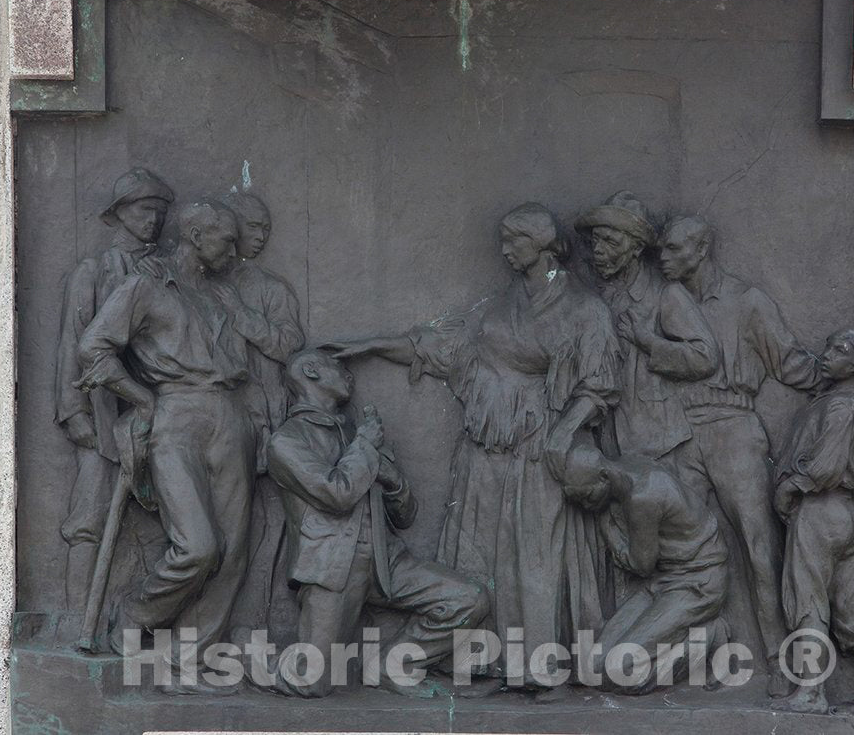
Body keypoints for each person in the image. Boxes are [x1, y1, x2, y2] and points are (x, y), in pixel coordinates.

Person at [326, 203, 622, 691]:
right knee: (481, 552)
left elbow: (598, 386)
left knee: (534, 551)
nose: (505, 249)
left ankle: (538, 662)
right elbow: (445, 349)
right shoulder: (501, 306)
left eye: (514, 240)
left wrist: (563, 433)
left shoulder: (583, 310)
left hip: (536, 451)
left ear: (542, 244)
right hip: (485, 448)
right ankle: (481, 657)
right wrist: (373, 345)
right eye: (502, 240)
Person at [76, 199, 255, 693]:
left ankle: (188, 661)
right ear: (196, 237)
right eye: (226, 240)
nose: (235, 251)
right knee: (199, 546)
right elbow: (93, 347)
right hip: (174, 413)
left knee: (234, 551)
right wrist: (140, 398)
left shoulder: (221, 296)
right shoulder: (145, 287)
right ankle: (134, 616)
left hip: (230, 415)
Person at [659, 215, 824, 696]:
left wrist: (840, 384)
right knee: (689, 554)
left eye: (672, 249)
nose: (663, 259)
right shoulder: (668, 301)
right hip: (680, 433)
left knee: (758, 549)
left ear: (702, 248)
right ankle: (708, 652)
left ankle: (781, 660)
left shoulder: (747, 301)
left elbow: (789, 362)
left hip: (733, 428)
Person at [264, 349, 489, 697]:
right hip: (333, 571)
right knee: (311, 680)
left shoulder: (356, 432)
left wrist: (392, 478)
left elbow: (405, 515)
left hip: (387, 562)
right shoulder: (287, 441)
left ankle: (392, 666)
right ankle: (248, 656)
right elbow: (337, 494)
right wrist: (366, 447)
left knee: (468, 598)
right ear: (311, 371)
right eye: (336, 365)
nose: (347, 372)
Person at [54, 167, 173, 611]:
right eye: (146, 210)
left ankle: (139, 626)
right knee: (89, 518)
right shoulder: (94, 271)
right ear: (121, 213)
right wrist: (75, 412)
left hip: (162, 414)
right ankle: (75, 621)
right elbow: (73, 340)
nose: (154, 220)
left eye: (161, 212)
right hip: (104, 413)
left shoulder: (165, 271)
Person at [772, 328, 854, 715]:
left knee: (807, 598)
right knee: (850, 611)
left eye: (840, 350)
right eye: (829, 345)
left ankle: (811, 692)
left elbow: (826, 467)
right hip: (842, 515)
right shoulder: (847, 399)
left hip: (819, 510)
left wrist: (791, 485)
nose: (827, 353)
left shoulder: (843, 407)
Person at [561, 445, 729, 694]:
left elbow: (641, 565)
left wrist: (608, 531)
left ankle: (710, 636)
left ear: (605, 476)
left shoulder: (642, 497)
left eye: (588, 496)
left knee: (618, 673)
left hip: (698, 584)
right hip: (663, 582)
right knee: (592, 667)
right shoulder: (627, 464)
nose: (586, 506)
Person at [574, 191, 717, 460]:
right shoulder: (593, 297)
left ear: (637, 249)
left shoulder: (666, 294)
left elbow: (705, 356)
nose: (598, 251)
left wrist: (647, 341)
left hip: (657, 442)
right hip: (603, 439)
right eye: (595, 241)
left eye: (610, 242)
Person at [219, 191, 305, 638]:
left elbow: (289, 345)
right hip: (214, 424)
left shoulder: (270, 289)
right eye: (253, 227)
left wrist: (243, 318)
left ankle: (258, 620)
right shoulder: (196, 283)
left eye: (266, 231)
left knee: (269, 524)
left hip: (266, 421)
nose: (260, 237)